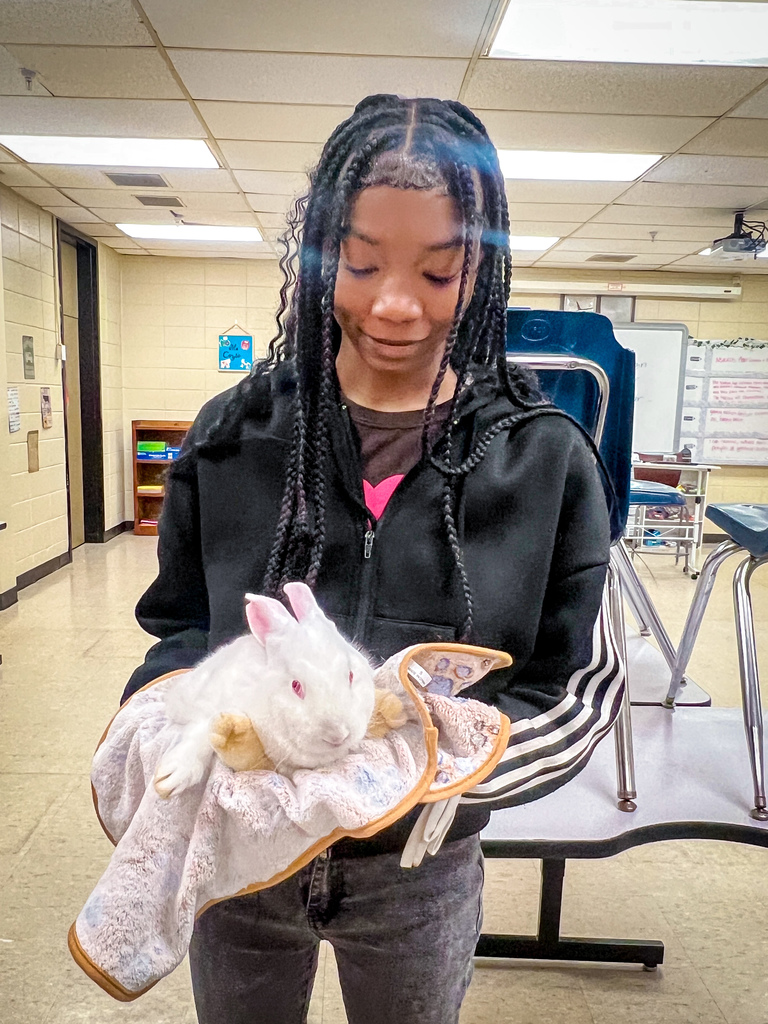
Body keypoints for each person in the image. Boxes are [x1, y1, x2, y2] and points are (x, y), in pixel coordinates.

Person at [123, 94, 623, 1024]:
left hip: (418, 874)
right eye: (360, 264)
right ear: (319, 256)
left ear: (484, 269)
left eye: (439, 274)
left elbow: (575, 688)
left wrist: (434, 771)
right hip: (239, 864)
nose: (395, 305)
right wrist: (157, 722)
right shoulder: (233, 436)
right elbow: (178, 630)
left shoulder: (544, 459)